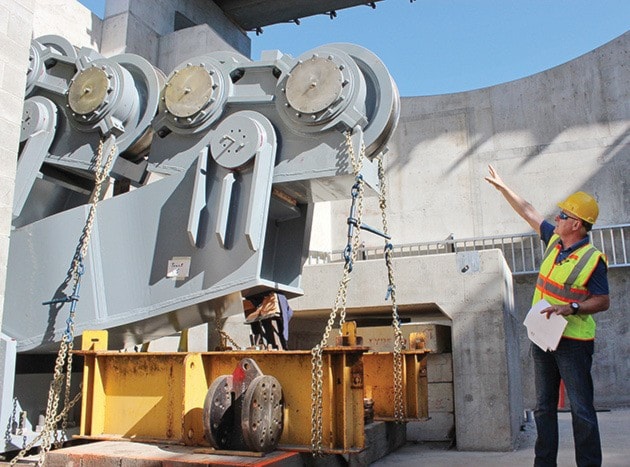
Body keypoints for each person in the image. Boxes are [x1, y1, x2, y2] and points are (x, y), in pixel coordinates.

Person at [485, 165, 609, 467]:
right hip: (544, 339)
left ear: (576, 224)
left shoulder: (593, 260)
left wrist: (571, 308)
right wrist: (503, 188)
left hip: (574, 343)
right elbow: (529, 212)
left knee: (581, 410)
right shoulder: (555, 240)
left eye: (564, 215)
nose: (558, 218)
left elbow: (603, 300)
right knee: (543, 408)